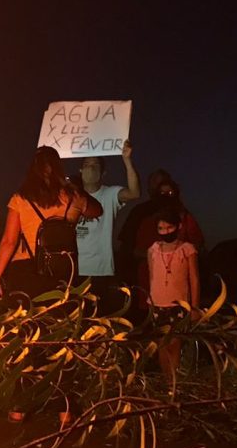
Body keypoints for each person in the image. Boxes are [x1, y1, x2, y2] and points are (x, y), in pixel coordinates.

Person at [0, 146, 98, 304]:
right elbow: (97, 210)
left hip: (25, 270)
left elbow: (9, 241)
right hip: (62, 271)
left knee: (26, 317)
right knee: (59, 317)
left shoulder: (20, 199)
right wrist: (77, 189)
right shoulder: (74, 196)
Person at [118, 169, 205, 305]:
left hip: (179, 285)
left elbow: (197, 243)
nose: (164, 195)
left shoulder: (184, 216)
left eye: (168, 192)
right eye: (159, 189)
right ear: (150, 189)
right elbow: (126, 246)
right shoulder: (139, 213)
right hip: (145, 281)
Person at [74, 141, 141, 307]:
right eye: (86, 165)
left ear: (103, 172)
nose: (90, 168)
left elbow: (134, 193)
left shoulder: (110, 194)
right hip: (74, 269)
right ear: (80, 170)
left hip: (101, 270)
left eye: (95, 165)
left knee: (100, 316)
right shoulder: (71, 196)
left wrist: (127, 160)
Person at [147, 210, 200, 397]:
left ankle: (175, 385)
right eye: (161, 228)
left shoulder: (187, 249)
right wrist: (150, 302)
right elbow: (151, 276)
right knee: (162, 345)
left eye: (169, 227)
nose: (165, 231)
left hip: (179, 305)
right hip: (157, 304)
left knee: (175, 344)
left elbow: (194, 279)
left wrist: (194, 306)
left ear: (178, 227)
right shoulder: (153, 249)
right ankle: (166, 382)